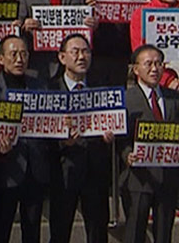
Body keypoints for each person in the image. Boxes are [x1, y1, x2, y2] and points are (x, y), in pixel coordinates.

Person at [0, 35, 50, 243]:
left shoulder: (41, 86)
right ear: (1, 59)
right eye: (13, 54)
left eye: (24, 54)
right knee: (0, 232)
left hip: (35, 170)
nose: (19, 59)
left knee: (32, 233)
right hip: (6, 171)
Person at [48, 34, 113, 243]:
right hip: (63, 172)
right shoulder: (49, 90)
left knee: (97, 233)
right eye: (75, 52)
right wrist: (62, 141)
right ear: (62, 57)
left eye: (85, 51)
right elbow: (41, 135)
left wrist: (110, 134)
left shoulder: (103, 87)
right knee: (59, 233)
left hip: (95, 171)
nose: (81, 57)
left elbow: (114, 122)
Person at [120, 44, 179, 243]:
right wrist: (127, 154)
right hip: (138, 178)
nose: (154, 69)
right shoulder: (126, 99)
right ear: (136, 69)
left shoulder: (175, 98)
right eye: (148, 64)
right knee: (135, 233)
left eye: (158, 64)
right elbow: (121, 138)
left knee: (164, 234)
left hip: (168, 177)